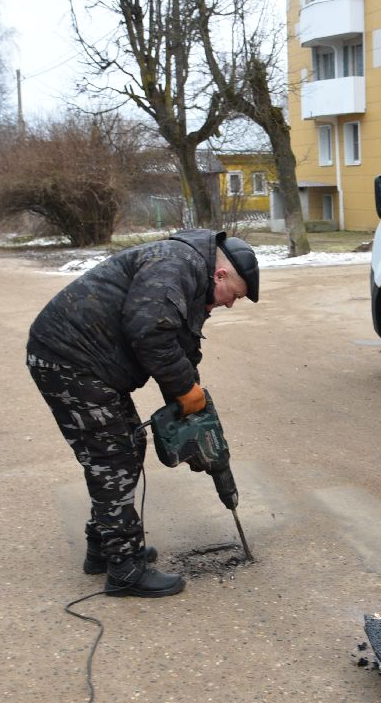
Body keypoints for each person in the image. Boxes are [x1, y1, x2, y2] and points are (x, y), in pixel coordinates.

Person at [26, 228, 259, 597]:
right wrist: (185, 391)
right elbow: (149, 334)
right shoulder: (176, 266)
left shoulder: (189, 276)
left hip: (89, 364)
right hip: (68, 359)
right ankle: (125, 570)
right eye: (234, 296)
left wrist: (191, 409)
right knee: (113, 457)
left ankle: (105, 547)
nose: (230, 305)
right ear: (221, 275)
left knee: (129, 446)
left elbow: (175, 346)